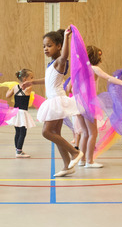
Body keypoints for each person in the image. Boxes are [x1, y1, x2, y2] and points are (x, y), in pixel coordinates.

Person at [22, 27, 83, 177]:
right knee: (56, 133)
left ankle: (75, 152)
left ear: (59, 46)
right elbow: (48, 79)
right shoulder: (51, 65)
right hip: (54, 101)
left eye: (49, 45)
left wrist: (67, 37)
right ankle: (67, 166)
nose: (45, 49)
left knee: (47, 132)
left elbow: (64, 56)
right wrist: (32, 82)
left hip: (57, 100)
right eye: (44, 46)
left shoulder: (60, 61)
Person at [74, 45, 122, 168]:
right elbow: (109, 77)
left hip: (78, 103)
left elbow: (73, 87)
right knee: (92, 133)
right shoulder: (94, 69)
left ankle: (82, 160)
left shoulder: (79, 69)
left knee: (85, 133)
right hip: (89, 103)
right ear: (96, 57)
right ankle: (89, 161)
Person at [5, 69, 36, 158]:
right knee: (23, 132)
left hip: (15, 112)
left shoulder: (15, 87)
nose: (32, 79)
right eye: (31, 78)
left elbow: (7, 96)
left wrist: (10, 88)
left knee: (17, 132)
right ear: (25, 79)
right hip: (22, 112)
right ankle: (19, 152)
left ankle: (18, 150)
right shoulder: (29, 88)